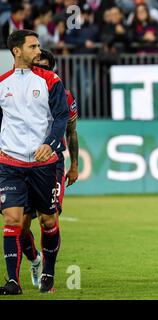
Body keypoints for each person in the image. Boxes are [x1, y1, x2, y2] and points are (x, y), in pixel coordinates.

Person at [0, 30, 69, 295]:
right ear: (17, 51)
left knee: (49, 221)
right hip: (10, 163)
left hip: (44, 165)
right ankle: (12, 281)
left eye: (39, 45)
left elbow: (61, 117)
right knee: (14, 219)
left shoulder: (51, 80)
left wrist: (50, 143)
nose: (38, 51)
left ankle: (48, 271)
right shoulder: (3, 83)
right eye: (33, 46)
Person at [19, 48, 79, 289]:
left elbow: (71, 131)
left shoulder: (63, 96)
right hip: (20, 162)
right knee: (20, 225)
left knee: (47, 219)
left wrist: (74, 164)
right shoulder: (18, 92)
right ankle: (34, 259)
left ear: (51, 70)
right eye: (37, 66)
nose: (39, 71)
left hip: (52, 163)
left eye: (44, 67)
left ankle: (49, 274)